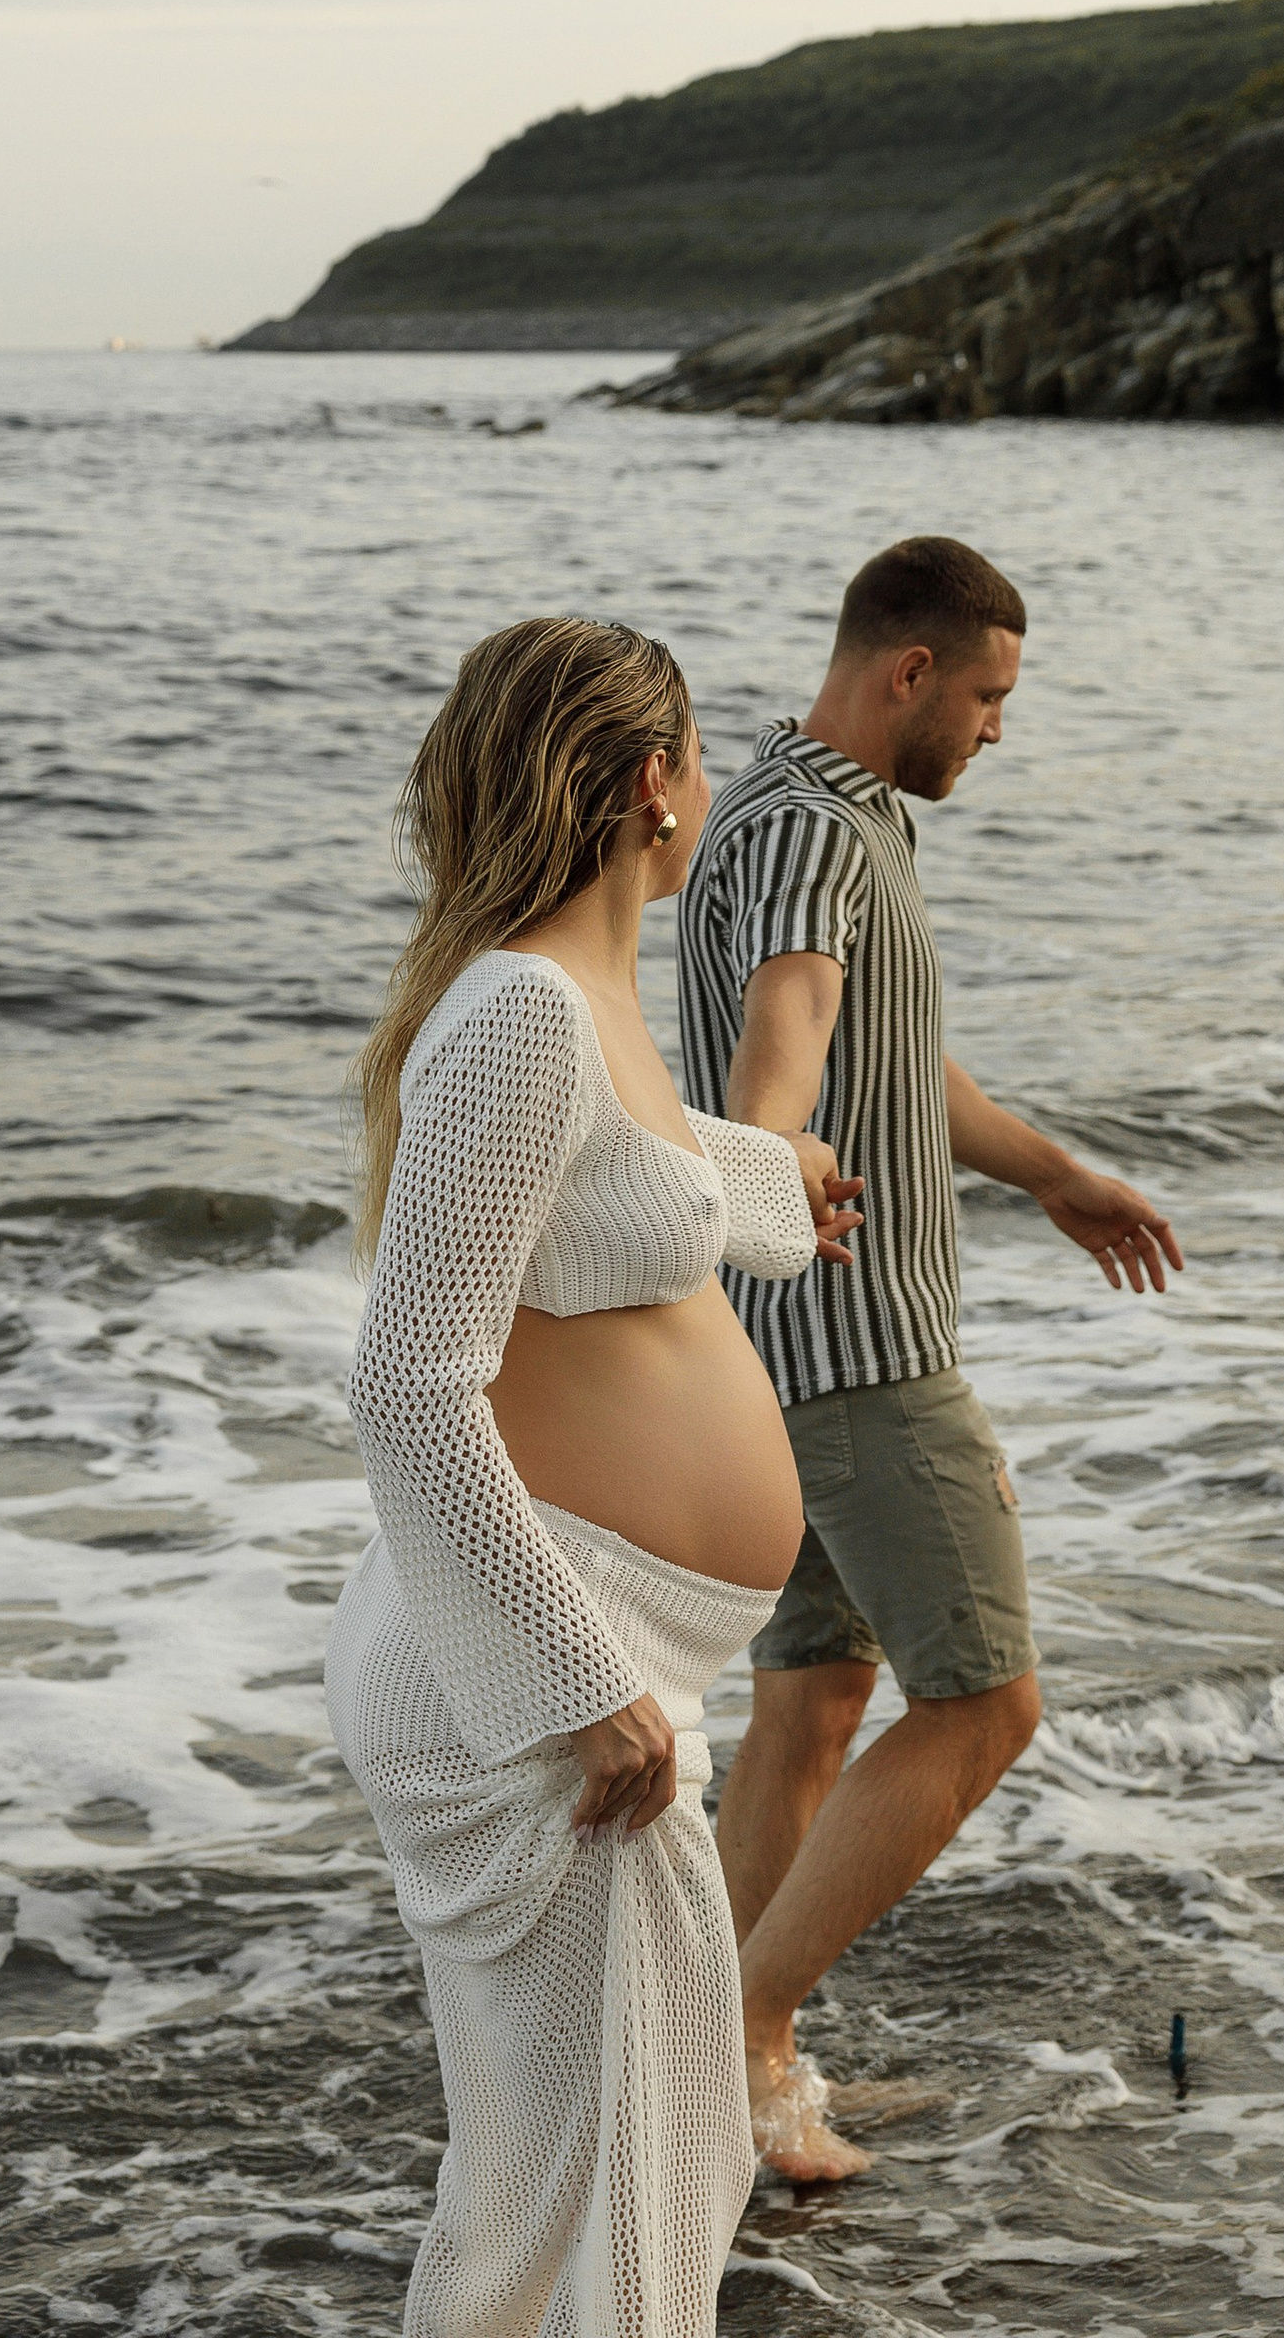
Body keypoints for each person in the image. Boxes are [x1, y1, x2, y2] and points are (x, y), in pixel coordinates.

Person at [326, 615, 862, 2338]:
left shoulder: (579, 1003)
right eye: (700, 757)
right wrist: (576, 1686)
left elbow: (625, 1180)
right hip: (533, 1681)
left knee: (610, 2165)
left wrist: (773, 1185)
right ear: (652, 782)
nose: (710, 789)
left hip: (590, 1668)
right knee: (584, 2183)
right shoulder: (523, 1018)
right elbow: (408, 1379)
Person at [676, 534, 1184, 2185]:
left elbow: (896, 1052)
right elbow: (796, 1017)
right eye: (987, 698)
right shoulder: (826, 829)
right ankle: (748, 2030)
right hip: (861, 1343)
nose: (992, 732)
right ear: (909, 671)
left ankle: (706, 2069)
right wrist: (762, 1151)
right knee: (985, 1703)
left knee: (814, 1700)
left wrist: (1051, 1172)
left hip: (772, 1345)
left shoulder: (796, 803)